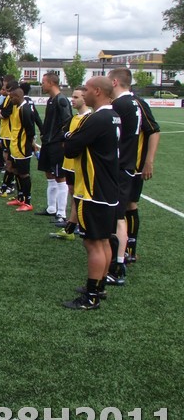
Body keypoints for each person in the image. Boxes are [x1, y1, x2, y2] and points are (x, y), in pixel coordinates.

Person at [62, 76, 121, 310]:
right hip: (108, 187)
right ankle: (99, 287)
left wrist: (68, 138)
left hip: (93, 189)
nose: (83, 93)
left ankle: (91, 297)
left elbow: (71, 148)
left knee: (93, 243)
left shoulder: (97, 118)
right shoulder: (114, 116)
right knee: (103, 241)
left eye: (86, 89)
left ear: (97, 91)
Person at [105, 68, 141, 285]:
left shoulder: (120, 105)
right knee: (119, 216)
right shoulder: (134, 102)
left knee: (117, 217)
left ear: (115, 82)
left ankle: (117, 266)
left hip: (120, 166)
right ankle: (118, 261)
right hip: (127, 164)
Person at [50, 87, 90, 241]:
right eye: (72, 96)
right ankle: (72, 225)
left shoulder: (90, 119)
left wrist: (69, 137)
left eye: (76, 97)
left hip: (80, 165)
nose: (72, 100)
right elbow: (63, 135)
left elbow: (77, 140)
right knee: (73, 193)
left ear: (85, 98)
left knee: (80, 195)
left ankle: (75, 226)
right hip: (68, 163)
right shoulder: (73, 118)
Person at [126, 95, 161, 263]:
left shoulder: (137, 103)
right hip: (112, 167)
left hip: (133, 167)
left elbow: (153, 131)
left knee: (129, 204)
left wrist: (149, 162)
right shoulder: (109, 102)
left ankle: (130, 250)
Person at [37, 73, 72, 221]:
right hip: (47, 143)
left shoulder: (61, 100)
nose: (42, 85)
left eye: (43, 82)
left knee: (60, 176)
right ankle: (51, 208)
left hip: (57, 144)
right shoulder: (51, 100)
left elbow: (68, 121)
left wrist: (62, 139)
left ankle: (61, 213)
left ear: (51, 83)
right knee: (49, 175)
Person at [5, 86, 36, 212]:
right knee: (15, 170)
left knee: (24, 174)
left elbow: (30, 130)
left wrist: (31, 145)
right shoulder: (17, 107)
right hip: (14, 146)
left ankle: (28, 202)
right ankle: (20, 198)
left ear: (18, 97)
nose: (10, 100)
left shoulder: (25, 110)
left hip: (22, 148)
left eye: (12, 97)